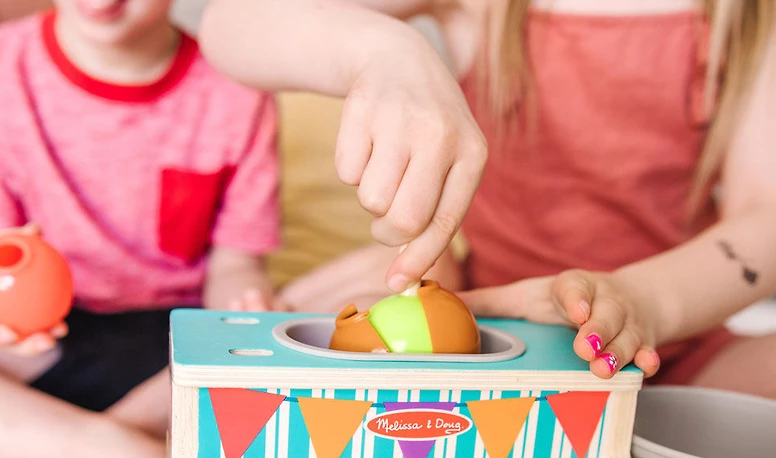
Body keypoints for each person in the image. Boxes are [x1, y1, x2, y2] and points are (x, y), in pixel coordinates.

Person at [0, 0, 486, 458]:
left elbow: (235, 263)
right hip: (50, 343)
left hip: (178, 345)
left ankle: (147, 413)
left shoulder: (236, 85)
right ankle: (109, 451)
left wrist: (238, 308)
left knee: (424, 268)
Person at [296, 0, 776, 398]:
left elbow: (764, 214)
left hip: (681, 351)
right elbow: (236, 23)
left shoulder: (751, 18)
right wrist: (381, 49)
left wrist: (645, 302)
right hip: (499, 346)